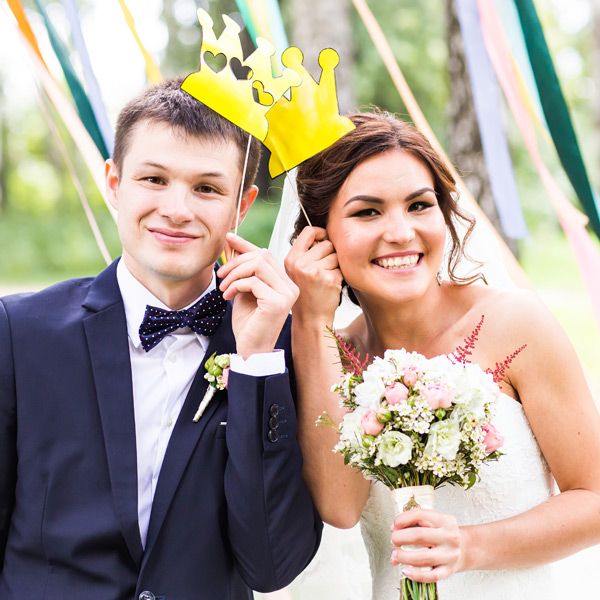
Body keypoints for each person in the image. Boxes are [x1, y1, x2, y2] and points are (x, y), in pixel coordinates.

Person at [0, 76, 322, 600]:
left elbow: (271, 566)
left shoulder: (281, 346)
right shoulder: (20, 333)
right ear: (113, 183)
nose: (177, 209)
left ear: (241, 207)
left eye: (207, 188)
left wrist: (255, 360)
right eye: (153, 179)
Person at [283, 110, 600, 599]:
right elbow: (340, 507)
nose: (401, 232)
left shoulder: (515, 325)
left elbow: (594, 499)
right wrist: (310, 318)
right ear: (319, 234)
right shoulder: (328, 353)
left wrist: (469, 547)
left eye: (418, 205)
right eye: (367, 212)